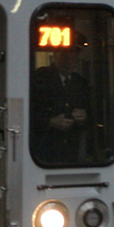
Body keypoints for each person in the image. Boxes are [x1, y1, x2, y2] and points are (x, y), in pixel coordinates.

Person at [31, 36, 93, 164]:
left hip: (71, 151)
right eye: (65, 54)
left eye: (74, 54)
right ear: (55, 55)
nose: (70, 59)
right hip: (42, 151)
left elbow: (93, 115)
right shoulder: (39, 78)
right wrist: (50, 122)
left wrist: (84, 117)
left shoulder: (80, 83)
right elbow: (25, 114)